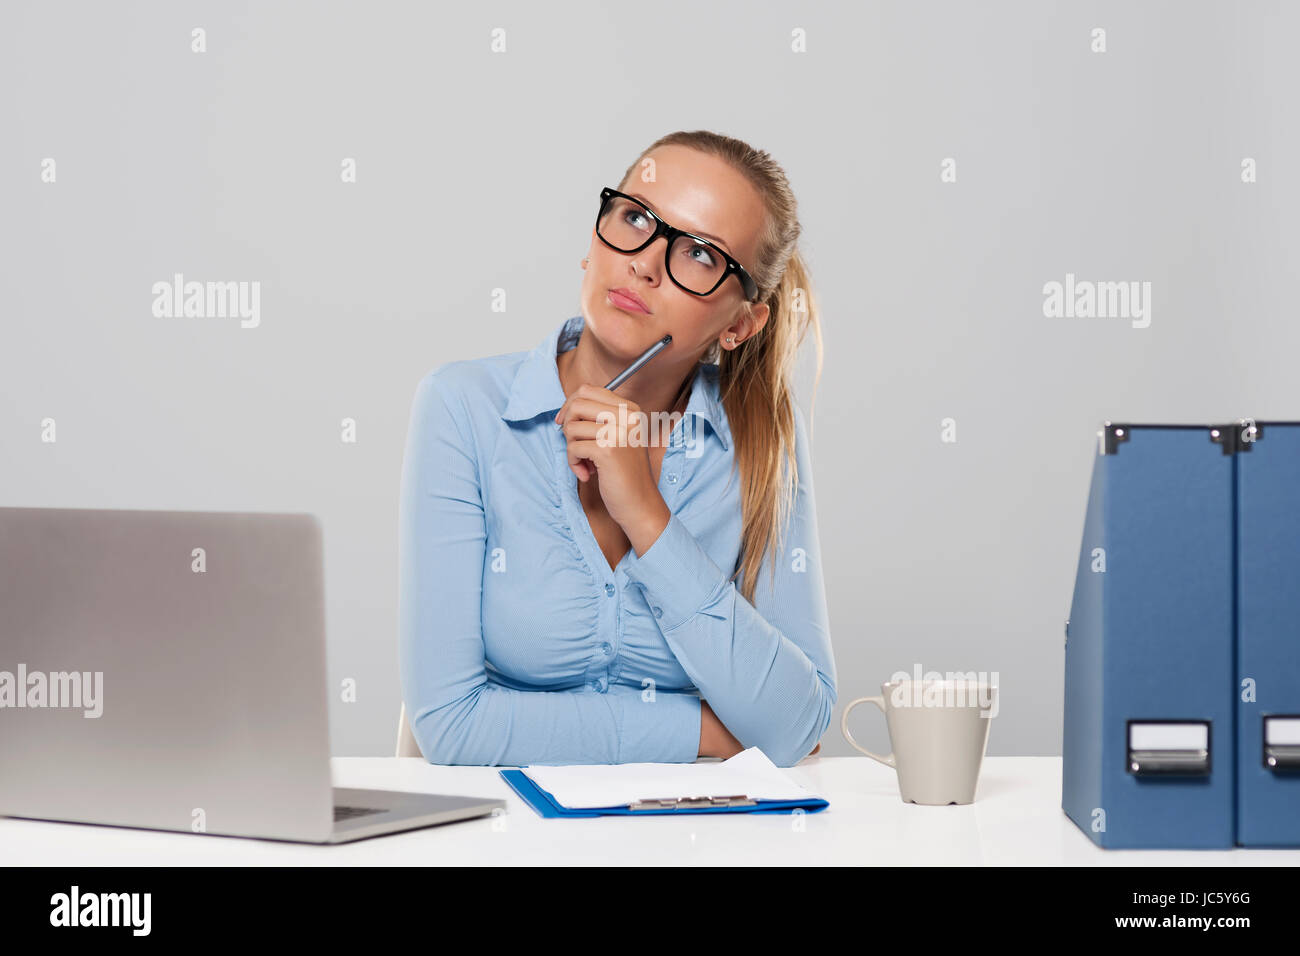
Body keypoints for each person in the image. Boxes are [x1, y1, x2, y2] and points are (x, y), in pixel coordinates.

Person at [399, 130, 835, 768]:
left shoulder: (761, 442)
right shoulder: (463, 408)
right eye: (635, 218)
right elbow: (452, 726)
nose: (646, 264)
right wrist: (710, 735)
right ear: (593, 243)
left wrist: (646, 517)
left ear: (741, 324)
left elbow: (798, 724)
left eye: (700, 255)